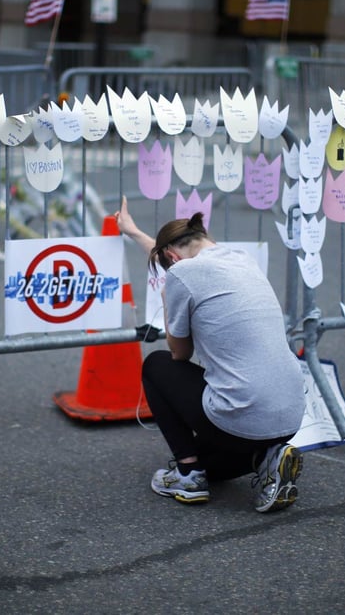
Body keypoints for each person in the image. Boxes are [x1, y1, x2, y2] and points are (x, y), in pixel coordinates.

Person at [115, 196, 306, 512]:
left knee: (156, 365)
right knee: (215, 469)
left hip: (243, 413)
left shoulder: (180, 274)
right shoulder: (241, 258)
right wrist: (134, 231)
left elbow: (179, 353)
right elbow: (175, 252)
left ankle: (188, 474)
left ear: (172, 259)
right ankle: (268, 458)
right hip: (290, 415)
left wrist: (166, 298)